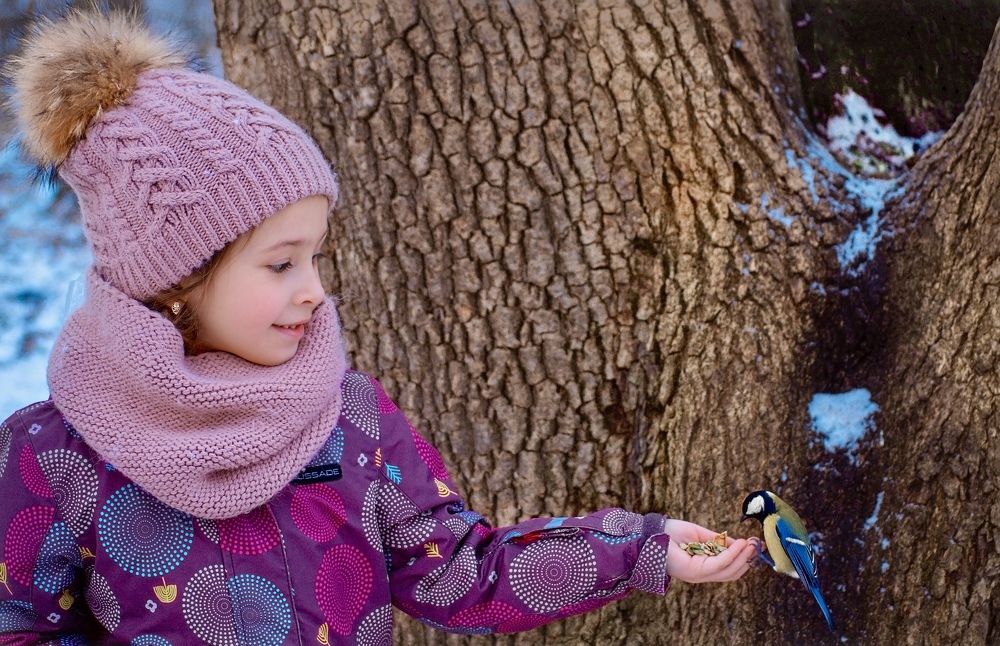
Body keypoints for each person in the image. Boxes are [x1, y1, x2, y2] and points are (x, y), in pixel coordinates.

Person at [0, 8, 758, 644]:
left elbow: (462, 573)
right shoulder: (57, 454)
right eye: (280, 264)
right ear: (175, 277)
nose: (314, 292)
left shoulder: (350, 418)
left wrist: (638, 549)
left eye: (315, 257)